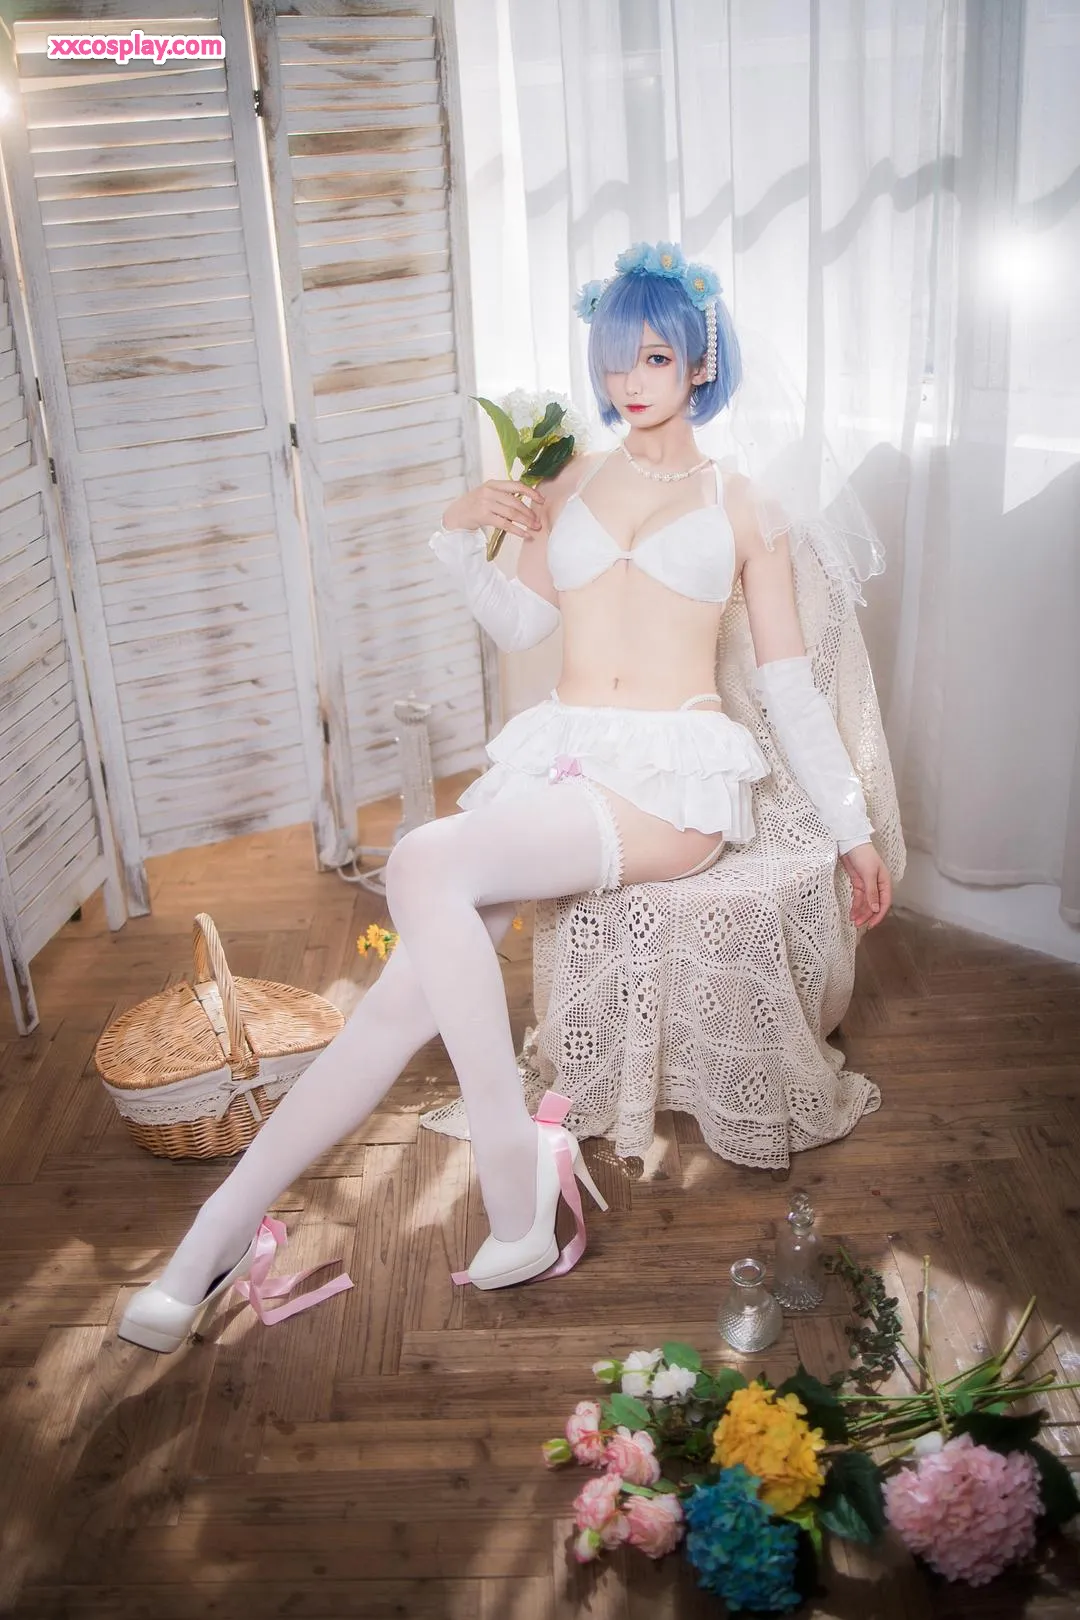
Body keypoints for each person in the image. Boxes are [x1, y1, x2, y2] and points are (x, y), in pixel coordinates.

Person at [119, 241, 892, 1353]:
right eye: (614, 358)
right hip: (562, 761)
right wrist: (456, 532)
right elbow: (524, 622)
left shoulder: (743, 505)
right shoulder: (573, 480)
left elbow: (787, 687)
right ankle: (216, 1234)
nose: (630, 380)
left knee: (425, 855)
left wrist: (854, 832)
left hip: (669, 790)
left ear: (701, 361)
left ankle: (515, 1175)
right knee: (392, 1010)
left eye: (656, 357)